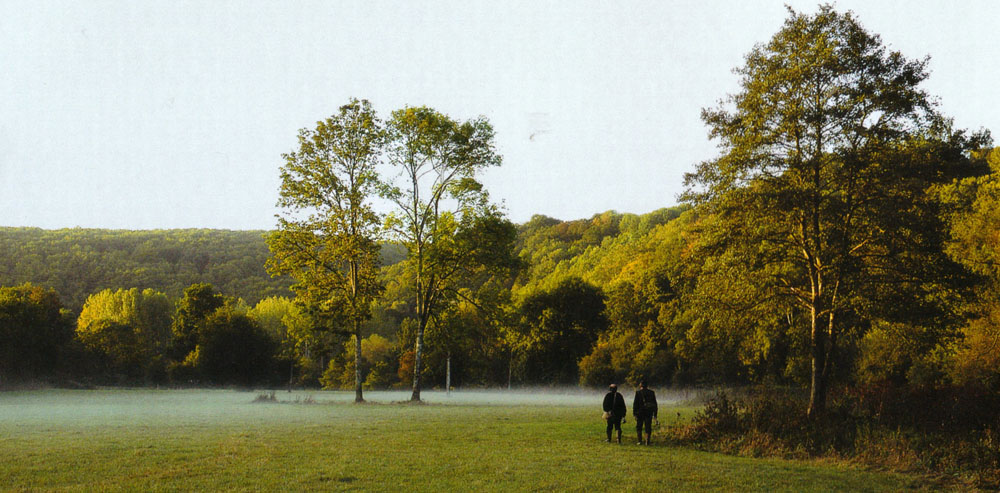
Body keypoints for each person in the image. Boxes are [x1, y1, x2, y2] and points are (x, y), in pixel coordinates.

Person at [632, 380, 658, 445]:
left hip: (640, 412)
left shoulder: (638, 393)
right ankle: (647, 442)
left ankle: (639, 441)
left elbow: (635, 404)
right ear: (647, 386)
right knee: (648, 427)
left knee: (639, 427)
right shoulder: (652, 393)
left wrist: (634, 413)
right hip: (649, 412)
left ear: (641, 385)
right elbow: (655, 404)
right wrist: (655, 414)